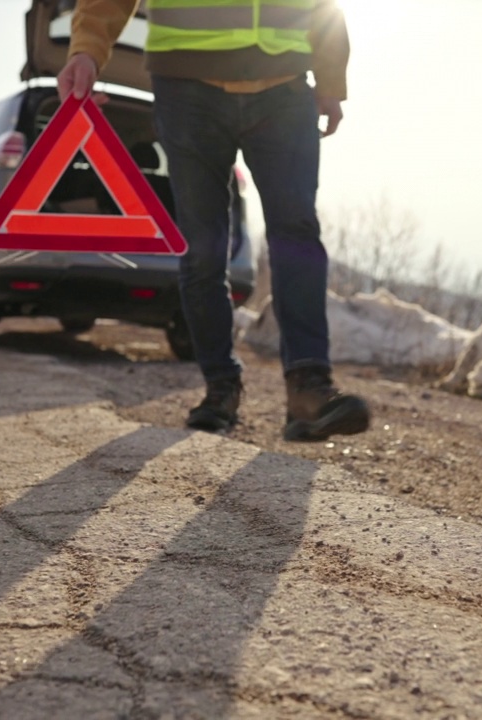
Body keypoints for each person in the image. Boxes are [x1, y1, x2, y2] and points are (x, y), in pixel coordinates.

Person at [57, 0, 370, 442]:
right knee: (202, 248)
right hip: (188, 90)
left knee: (297, 232)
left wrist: (331, 78)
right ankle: (220, 386)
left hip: (284, 88)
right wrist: (86, 50)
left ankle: (308, 388)